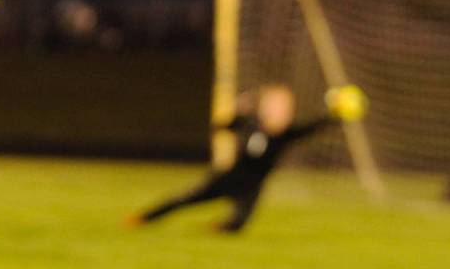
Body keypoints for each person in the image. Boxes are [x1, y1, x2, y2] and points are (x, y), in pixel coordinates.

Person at [126, 85, 334, 233]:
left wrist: (336, 115)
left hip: (252, 187)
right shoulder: (252, 123)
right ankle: (144, 218)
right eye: (275, 106)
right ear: (264, 108)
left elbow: (314, 127)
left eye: (285, 108)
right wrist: (237, 111)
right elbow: (223, 127)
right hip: (231, 177)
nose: (281, 112)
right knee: (188, 199)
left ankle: (216, 228)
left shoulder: (286, 134)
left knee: (237, 226)